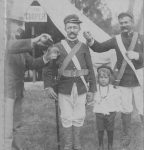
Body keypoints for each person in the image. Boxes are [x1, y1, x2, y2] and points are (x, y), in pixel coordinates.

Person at [83, 12, 144, 148]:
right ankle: (126, 135)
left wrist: (138, 55)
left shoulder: (141, 37)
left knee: (143, 108)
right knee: (125, 109)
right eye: (121, 23)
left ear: (132, 22)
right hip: (123, 80)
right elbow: (98, 48)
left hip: (140, 80)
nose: (123, 25)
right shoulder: (116, 39)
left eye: (126, 22)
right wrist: (90, 39)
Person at [43, 14, 97, 150]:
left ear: (79, 29)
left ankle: (77, 145)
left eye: (75, 27)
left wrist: (92, 90)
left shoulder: (84, 47)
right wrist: (48, 86)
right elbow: (49, 69)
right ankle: (68, 145)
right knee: (66, 116)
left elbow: (90, 69)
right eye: (69, 27)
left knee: (80, 115)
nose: (72, 30)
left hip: (81, 86)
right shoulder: (57, 47)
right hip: (64, 87)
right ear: (65, 29)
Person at [4, 16, 55, 150]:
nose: (22, 28)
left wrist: (47, 56)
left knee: (16, 127)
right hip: (4, 94)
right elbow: (10, 47)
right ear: (5, 24)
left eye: (23, 24)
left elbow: (32, 63)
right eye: (17, 23)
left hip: (17, 92)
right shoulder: (6, 43)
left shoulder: (18, 46)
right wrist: (35, 40)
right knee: (5, 129)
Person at [93, 65, 122, 150]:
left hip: (110, 112)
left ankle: (110, 145)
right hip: (99, 113)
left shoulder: (113, 88)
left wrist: (117, 109)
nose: (103, 79)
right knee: (100, 130)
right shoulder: (96, 89)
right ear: (98, 78)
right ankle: (100, 145)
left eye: (105, 77)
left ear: (109, 78)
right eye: (101, 77)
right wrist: (95, 99)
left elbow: (117, 99)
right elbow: (93, 99)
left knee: (110, 130)